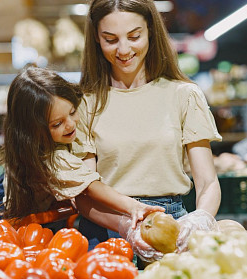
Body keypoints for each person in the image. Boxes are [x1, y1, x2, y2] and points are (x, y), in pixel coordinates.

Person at [75, 0, 222, 258]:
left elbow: (208, 182)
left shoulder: (184, 95)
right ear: (96, 39)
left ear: (151, 31)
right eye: (110, 39)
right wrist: (124, 225)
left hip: (170, 224)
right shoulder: (84, 104)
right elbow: (85, 196)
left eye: (134, 36)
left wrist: (200, 219)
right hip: (107, 231)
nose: (123, 50)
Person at [0, 66, 164, 230]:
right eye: (57, 123)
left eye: (73, 112)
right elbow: (91, 186)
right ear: (33, 131)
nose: (70, 125)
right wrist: (134, 207)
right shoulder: (49, 159)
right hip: (6, 217)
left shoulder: (62, 127)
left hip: (43, 214)